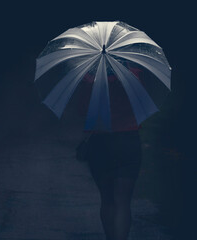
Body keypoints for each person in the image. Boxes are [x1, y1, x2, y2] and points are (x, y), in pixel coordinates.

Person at [78, 66, 144, 240]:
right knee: (123, 202)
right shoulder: (133, 75)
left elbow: (83, 112)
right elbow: (142, 104)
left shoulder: (88, 79)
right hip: (128, 140)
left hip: (101, 143)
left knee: (107, 199)